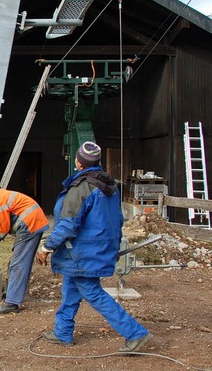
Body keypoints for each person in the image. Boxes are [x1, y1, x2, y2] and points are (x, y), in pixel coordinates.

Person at [35, 141, 152, 353]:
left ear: (79, 163)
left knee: (92, 292)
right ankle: (62, 332)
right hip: (95, 249)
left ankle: (135, 333)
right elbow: (117, 221)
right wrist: (113, 249)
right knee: (71, 287)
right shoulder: (110, 188)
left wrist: (47, 247)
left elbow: (68, 224)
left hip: (81, 252)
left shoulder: (81, 188)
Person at [0, 176, 49, 314]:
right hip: (32, 222)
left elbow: (3, 227)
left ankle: (12, 303)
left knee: (18, 263)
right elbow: (2, 221)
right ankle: (10, 295)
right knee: (16, 262)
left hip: (29, 225)